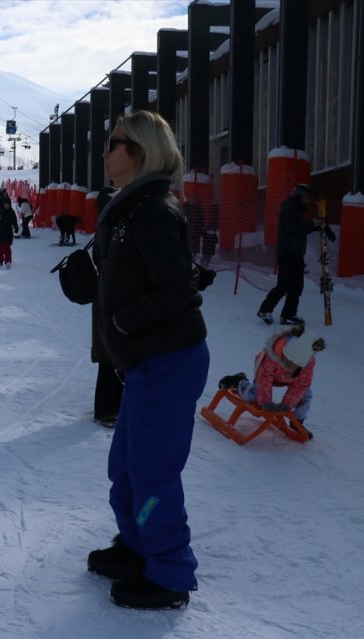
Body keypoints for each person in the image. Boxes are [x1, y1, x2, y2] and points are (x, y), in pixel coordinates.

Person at [87, 110, 208, 610]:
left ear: (139, 154)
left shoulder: (156, 211)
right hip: (143, 365)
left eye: (114, 144)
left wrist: (121, 323)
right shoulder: (131, 209)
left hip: (168, 362)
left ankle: (170, 574)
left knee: (153, 471)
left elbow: (177, 290)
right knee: (126, 467)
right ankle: (138, 546)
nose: (105, 152)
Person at [218, 323, 325, 437]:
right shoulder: (273, 356)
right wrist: (265, 402)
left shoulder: (307, 365)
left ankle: (297, 422)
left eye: (293, 364)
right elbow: (264, 379)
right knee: (253, 397)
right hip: (265, 373)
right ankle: (239, 380)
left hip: (291, 379)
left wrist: (286, 405)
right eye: (288, 361)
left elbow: (301, 385)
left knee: (306, 394)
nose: (288, 365)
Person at [257, 184, 334, 326]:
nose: (308, 201)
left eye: (309, 198)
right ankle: (265, 310)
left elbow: (301, 229)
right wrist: (312, 223)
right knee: (284, 285)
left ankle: (288, 314)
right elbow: (293, 228)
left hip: (296, 253)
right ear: (299, 196)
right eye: (306, 198)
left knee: (296, 287)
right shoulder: (288, 209)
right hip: (287, 253)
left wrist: (319, 226)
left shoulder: (296, 211)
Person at [91, 187, 122, 428]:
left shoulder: (110, 226)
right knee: (108, 353)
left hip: (112, 296)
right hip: (108, 297)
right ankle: (105, 408)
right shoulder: (108, 228)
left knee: (116, 353)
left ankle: (115, 404)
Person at [0, 196, 18, 268]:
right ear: (3, 204)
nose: (7, 205)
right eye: (5, 204)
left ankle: (8, 261)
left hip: (8, 232)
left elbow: (14, 221)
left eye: (8, 204)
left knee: (7, 248)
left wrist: (16, 227)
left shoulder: (11, 212)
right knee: (0, 248)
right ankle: (0, 261)